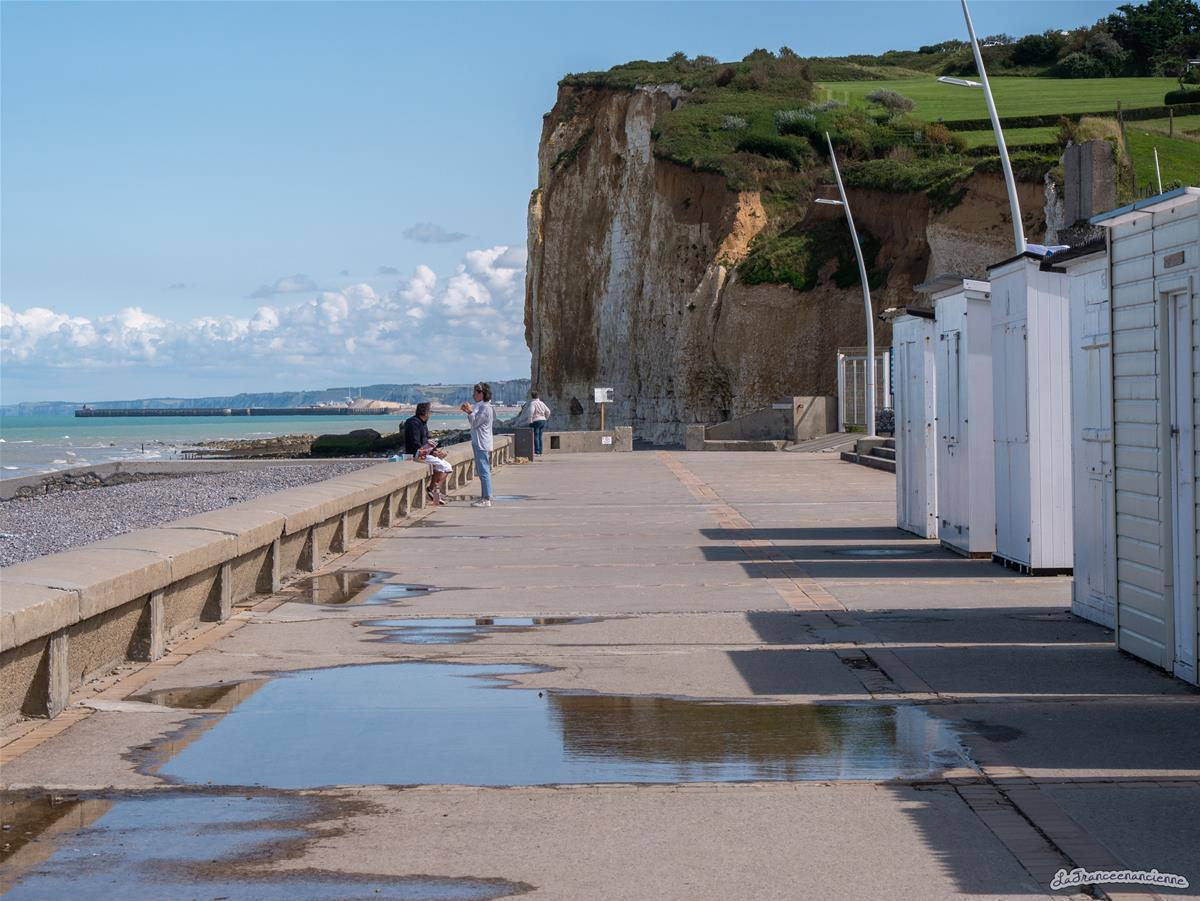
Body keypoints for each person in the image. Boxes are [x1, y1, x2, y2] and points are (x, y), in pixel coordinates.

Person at [404, 403, 449, 503]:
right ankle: (433, 491)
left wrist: (436, 451)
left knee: (448, 467)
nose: (431, 414)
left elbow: (427, 441)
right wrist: (431, 452)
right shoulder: (413, 423)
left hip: (425, 452)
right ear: (425, 412)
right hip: (415, 453)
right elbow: (415, 443)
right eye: (430, 411)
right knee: (441, 465)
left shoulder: (423, 423)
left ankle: (434, 492)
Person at [460, 382, 494, 507]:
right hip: (478, 441)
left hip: (482, 443)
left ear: (481, 394)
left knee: (484, 471)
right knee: (481, 470)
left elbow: (475, 423)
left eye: (475, 393)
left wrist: (470, 412)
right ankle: (485, 496)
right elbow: (473, 417)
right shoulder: (481, 406)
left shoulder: (486, 408)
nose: (473, 395)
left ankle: (486, 498)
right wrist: (468, 411)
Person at [524, 392, 551, 457]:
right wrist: (546, 418)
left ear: (532, 396)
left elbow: (531, 412)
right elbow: (548, 411)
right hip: (543, 420)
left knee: (536, 436)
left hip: (536, 420)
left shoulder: (533, 403)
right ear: (538, 396)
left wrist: (530, 421)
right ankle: (540, 451)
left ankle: (537, 452)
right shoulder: (542, 403)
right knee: (540, 436)